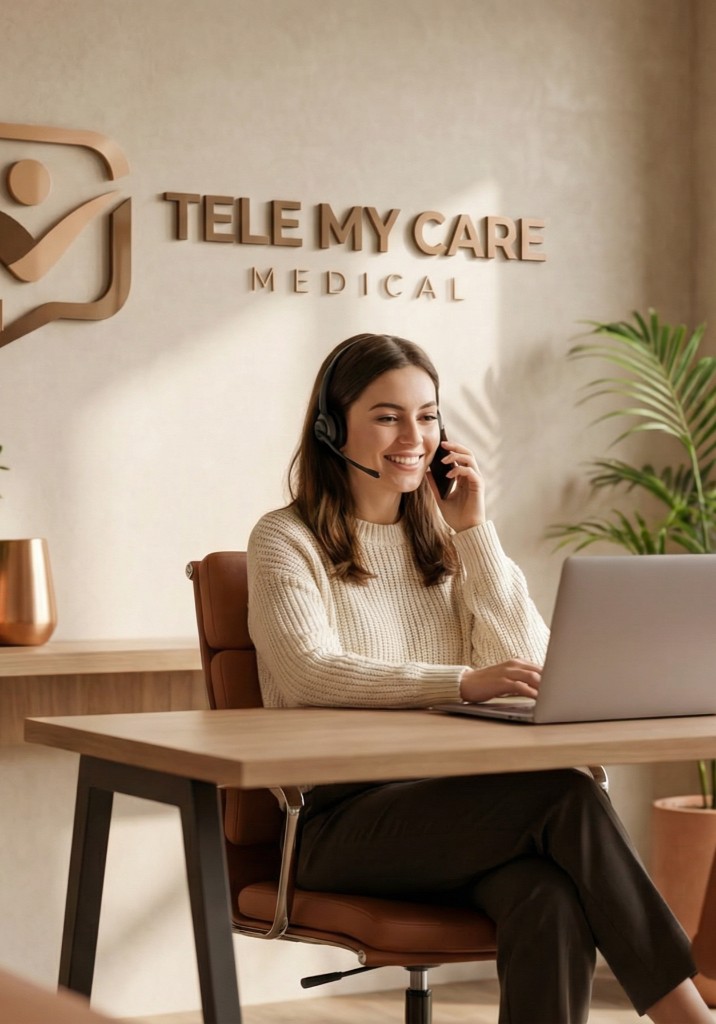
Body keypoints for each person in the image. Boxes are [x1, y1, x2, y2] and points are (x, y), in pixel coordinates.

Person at [247, 332, 711, 1024]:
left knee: (546, 898)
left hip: (460, 815)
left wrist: (475, 534)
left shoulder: (445, 544)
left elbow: (531, 667)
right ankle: (688, 1016)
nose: (415, 436)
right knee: (565, 794)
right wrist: (461, 682)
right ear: (330, 426)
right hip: (333, 824)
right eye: (387, 415)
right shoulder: (284, 541)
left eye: (428, 415)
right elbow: (309, 669)